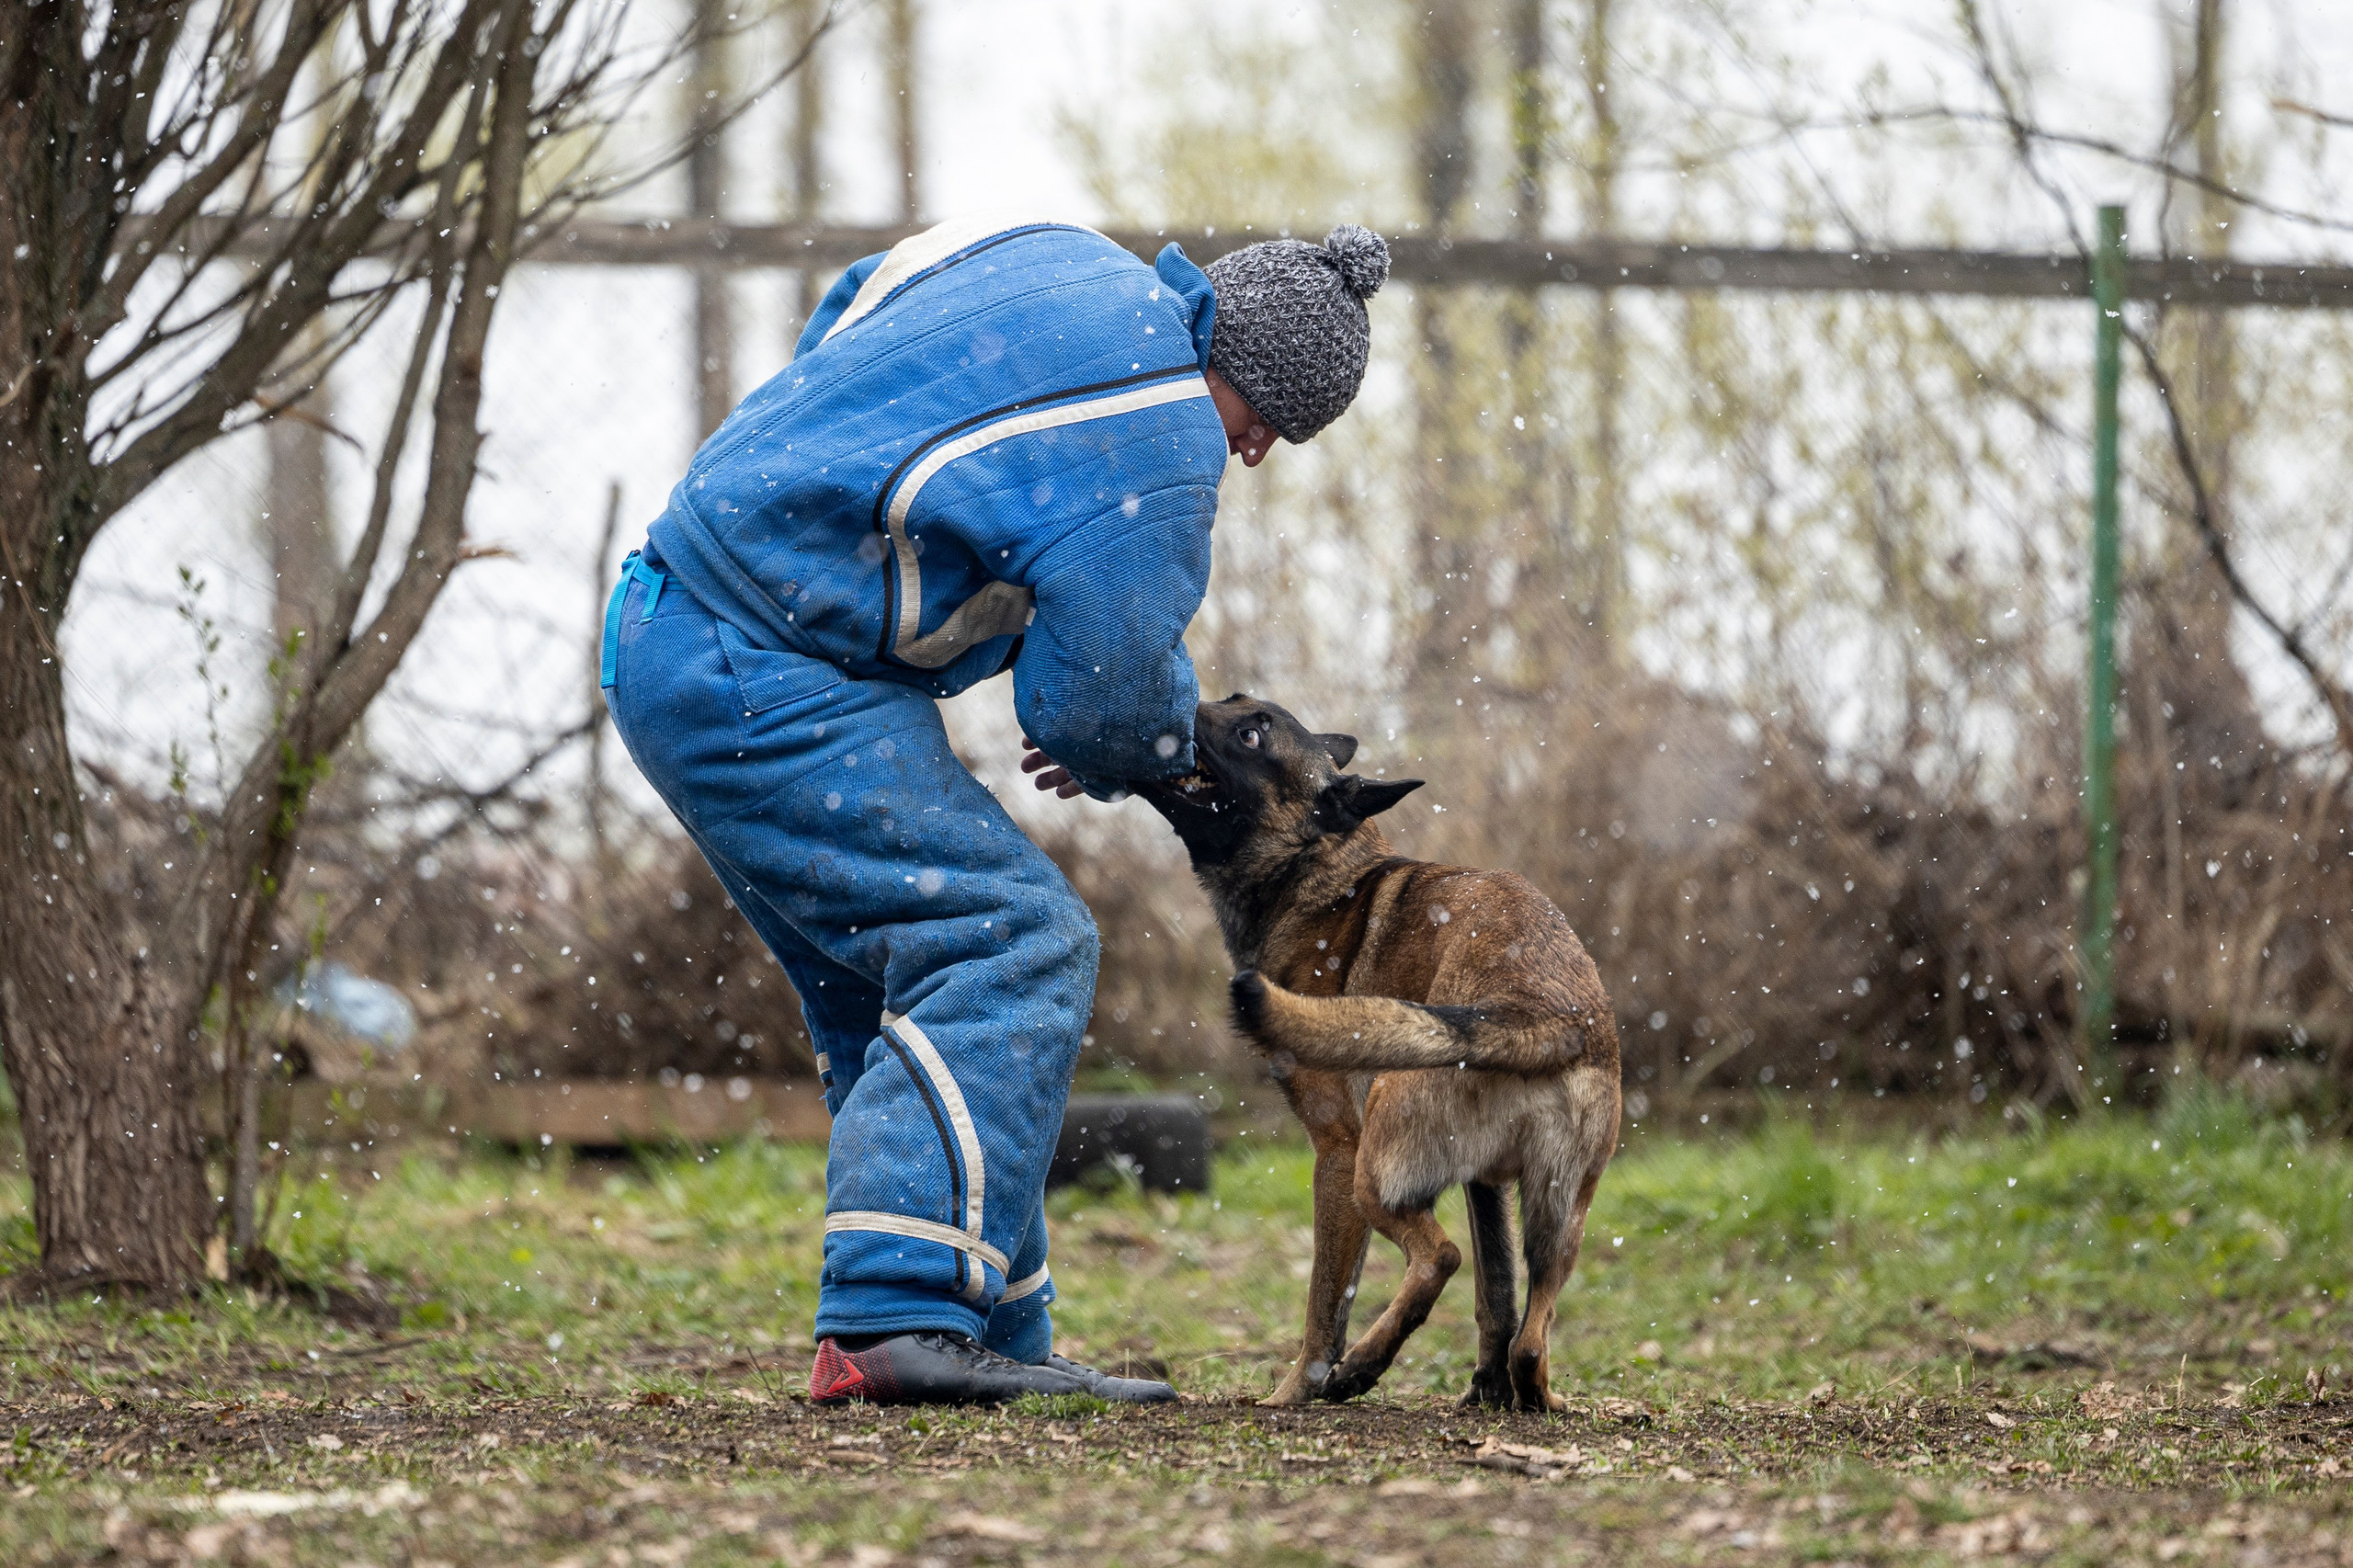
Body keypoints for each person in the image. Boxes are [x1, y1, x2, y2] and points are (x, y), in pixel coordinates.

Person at [600, 213, 1389, 1405]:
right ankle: (891, 1323)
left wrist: (820, 488)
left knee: (902, 976)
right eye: (1269, 420)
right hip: (760, 663)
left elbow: (860, 297)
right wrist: (1147, 742)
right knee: (1012, 938)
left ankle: (986, 1321)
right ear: (1242, 367)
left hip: (673, 622)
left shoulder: (1054, 253)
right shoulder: (1164, 435)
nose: (1257, 449)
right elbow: (1100, 699)